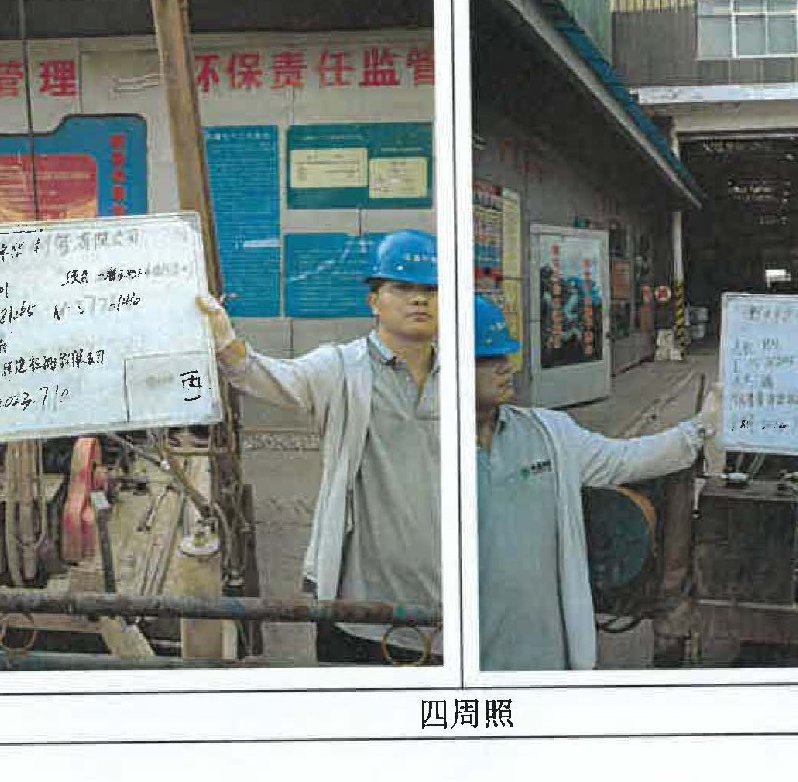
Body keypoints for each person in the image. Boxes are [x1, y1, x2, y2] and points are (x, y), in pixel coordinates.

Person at [199, 228, 439, 665]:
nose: (419, 299)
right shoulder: (341, 368)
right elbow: (264, 376)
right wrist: (224, 341)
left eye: (431, 289)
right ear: (374, 300)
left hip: (443, 599)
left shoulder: (463, 376)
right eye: (402, 287)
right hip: (357, 599)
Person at [473, 292, 719, 671]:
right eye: (487, 359)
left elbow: (624, 460)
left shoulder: (548, 433)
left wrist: (699, 428)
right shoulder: (424, 450)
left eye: (504, 355)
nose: (505, 367)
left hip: (541, 648)